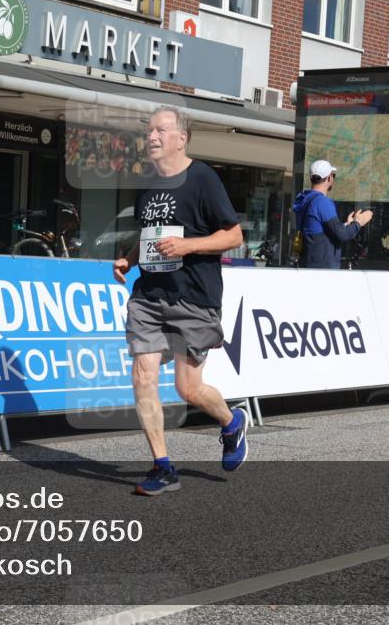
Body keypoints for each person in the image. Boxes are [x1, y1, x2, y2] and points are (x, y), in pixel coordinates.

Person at [112, 106, 247, 496]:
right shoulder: (148, 184)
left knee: (188, 389)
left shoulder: (203, 178)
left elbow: (234, 236)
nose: (151, 137)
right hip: (149, 294)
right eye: (148, 130)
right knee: (143, 374)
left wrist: (188, 246)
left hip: (194, 297)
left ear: (181, 137)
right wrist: (129, 258)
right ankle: (162, 465)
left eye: (160, 130)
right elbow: (150, 236)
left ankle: (231, 421)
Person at [293, 160, 373, 269]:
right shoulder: (322, 202)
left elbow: (322, 230)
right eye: (333, 175)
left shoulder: (305, 199)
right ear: (329, 178)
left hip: (308, 265)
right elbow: (342, 235)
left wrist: (347, 224)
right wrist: (358, 223)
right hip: (322, 270)